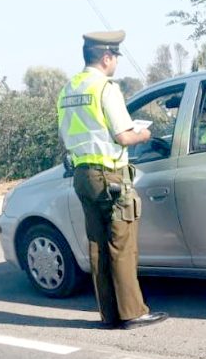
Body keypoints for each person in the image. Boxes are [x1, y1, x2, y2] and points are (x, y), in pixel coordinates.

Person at [57, 30, 168, 329]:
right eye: (115, 57)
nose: (116, 62)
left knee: (98, 246)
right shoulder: (105, 88)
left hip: (83, 175)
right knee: (122, 244)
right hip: (111, 176)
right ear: (106, 58)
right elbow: (123, 136)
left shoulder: (68, 90)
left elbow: (66, 135)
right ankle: (133, 312)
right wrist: (144, 134)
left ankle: (109, 314)